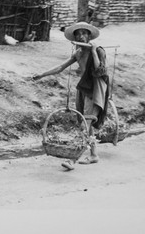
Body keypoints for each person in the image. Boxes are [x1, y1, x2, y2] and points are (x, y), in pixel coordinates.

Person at [32, 22, 110, 171]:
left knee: (85, 124)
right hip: (84, 88)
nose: (81, 36)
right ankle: (94, 155)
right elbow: (61, 67)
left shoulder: (99, 51)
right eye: (78, 34)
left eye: (84, 33)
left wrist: (93, 51)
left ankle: (72, 159)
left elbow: (101, 71)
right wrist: (41, 75)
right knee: (86, 121)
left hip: (96, 89)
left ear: (89, 35)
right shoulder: (79, 53)